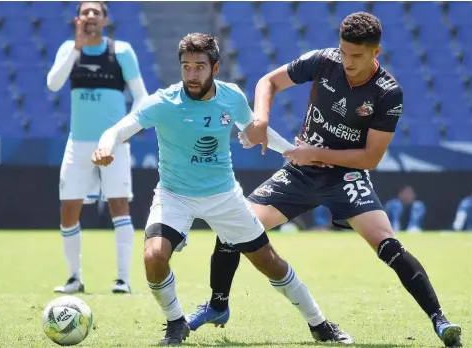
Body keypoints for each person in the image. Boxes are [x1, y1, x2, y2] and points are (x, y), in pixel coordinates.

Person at [187, 12, 462, 348]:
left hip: (345, 175)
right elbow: (267, 82)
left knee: (385, 242)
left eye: (357, 56)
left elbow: (370, 158)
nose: (347, 61)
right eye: (344, 52)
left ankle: (440, 321)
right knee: (233, 226)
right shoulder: (323, 61)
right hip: (301, 172)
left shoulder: (388, 92)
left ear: (376, 52)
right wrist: (260, 120)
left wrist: (316, 154)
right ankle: (218, 305)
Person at [92, 33, 353, 346]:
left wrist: (292, 152)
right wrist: (106, 144)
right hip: (175, 196)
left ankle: (320, 324)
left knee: (269, 262)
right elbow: (121, 127)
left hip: (224, 197)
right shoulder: (164, 102)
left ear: (214, 69)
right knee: (153, 256)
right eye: (186, 66)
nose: (191, 74)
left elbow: (256, 130)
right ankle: (176, 322)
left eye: (199, 66)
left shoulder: (231, 97)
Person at [46, 1, 148, 294]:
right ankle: (74, 278)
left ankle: (123, 279)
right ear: (77, 18)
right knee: (68, 208)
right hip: (77, 144)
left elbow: (142, 96)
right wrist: (77, 47)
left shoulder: (121, 51)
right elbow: (53, 84)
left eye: (96, 12)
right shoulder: (69, 50)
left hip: (112, 145)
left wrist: (127, 128)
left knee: (119, 206)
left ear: (106, 20)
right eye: (85, 11)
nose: (91, 16)